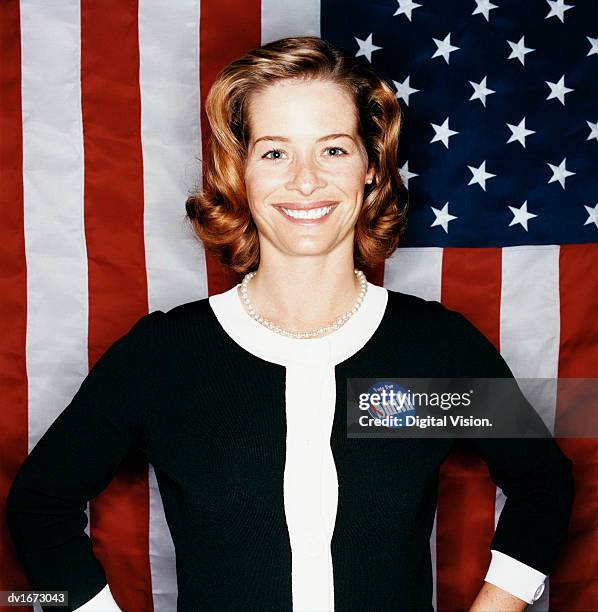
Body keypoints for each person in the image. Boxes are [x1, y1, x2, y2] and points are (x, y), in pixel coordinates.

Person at [6, 36, 574, 612]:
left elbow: (543, 485)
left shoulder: (436, 353)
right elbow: (38, 505)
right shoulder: (165, 357)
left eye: (333, 150)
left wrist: (500, 603)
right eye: (275, 152)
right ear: (239, 173)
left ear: (372, 169)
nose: (305, 181)